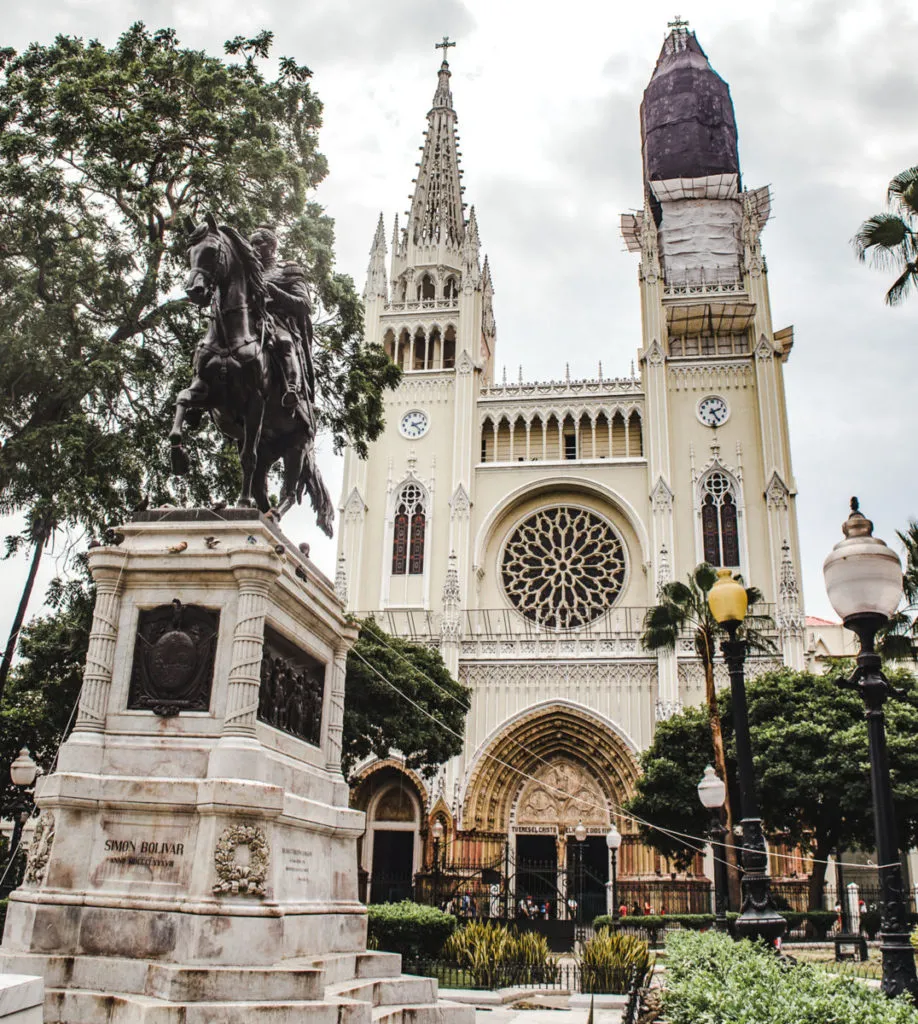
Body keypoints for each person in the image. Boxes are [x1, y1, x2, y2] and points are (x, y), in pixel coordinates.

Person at [249, 226, 315, 417]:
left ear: (271, 246)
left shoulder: (287, 270)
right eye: (251, 244)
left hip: (278, 321)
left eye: (258, 243)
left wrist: (276, 292)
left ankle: (292, 389)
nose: (253, 248)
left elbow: (304, 304)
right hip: (250, 319)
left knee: (285, 343)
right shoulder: (248, 273)